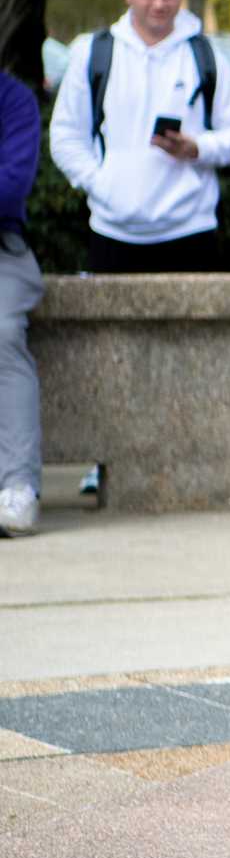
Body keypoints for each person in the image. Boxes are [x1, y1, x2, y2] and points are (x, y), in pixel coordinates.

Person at [47, 0, 230, 271]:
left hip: (191, 229)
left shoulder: (207, 55)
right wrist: (101, 185)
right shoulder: (93, 54)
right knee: (112, 325)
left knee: (191, 325)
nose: (159, 4)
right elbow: (65, 135)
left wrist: (197, 147)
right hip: (112, 231)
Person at [0, 69, 40, 536]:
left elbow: (11, 184)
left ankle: (17, 489)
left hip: (4, 248)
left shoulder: (14, 100)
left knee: (3, 331)